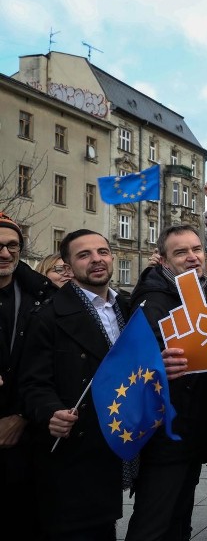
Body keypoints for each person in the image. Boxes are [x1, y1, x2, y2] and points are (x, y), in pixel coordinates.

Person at [19, 229, 127, 540]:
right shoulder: (47, 316)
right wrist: (51, 412)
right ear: (68, 265)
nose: (97, 260)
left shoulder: (127, 307)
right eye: (84, 255)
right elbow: (33, 382)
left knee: (105, 527)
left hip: (118, 438)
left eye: (102, 252)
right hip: (74, 451)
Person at [125, 225, 207, 541]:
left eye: (197, 249)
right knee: (154, 521)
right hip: (166, 432)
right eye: (181, 252)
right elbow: (143, 359)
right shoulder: (153, 300)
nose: (192, 257)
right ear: (164, 261)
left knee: (179, 517)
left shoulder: (199, 292)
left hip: (192, 429)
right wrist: (158, 362)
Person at [0, 213, 57, 539]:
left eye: (12, 246)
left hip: (26, 430)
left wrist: (21, 415)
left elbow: (48, 367)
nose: (5, 254)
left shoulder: (42, 298)